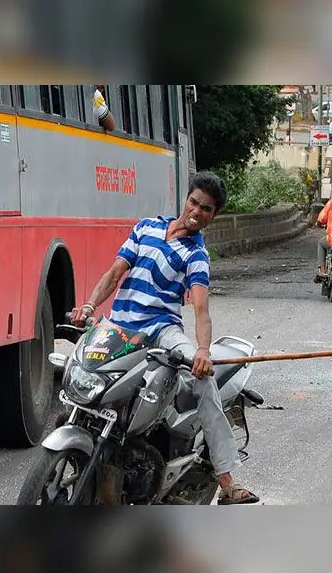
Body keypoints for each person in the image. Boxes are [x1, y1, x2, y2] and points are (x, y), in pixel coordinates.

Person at [69, 171, 259, 505]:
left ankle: (227, 477)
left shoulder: (196, 256)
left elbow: (201, 309)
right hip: (118, 328)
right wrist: (88, 305)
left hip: (161, 331)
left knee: (204, 378)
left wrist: (202, 351)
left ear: (213, 216)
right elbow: (115, 273)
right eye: (194, 202)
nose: (197, 211)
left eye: (207, 209)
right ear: (186, 199)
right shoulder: (146, 227)